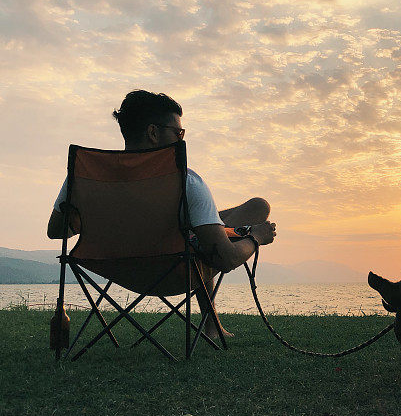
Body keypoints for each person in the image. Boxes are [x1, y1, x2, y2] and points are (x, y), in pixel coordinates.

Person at [46, 90, 276, 340]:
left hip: (115, 268)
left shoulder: (82, 178)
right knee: (217, 237)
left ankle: (213, 325)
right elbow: (226, 259)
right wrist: (256, 237)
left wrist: (102, 222)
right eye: (178, 133)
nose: (181, 139)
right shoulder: (186, 181)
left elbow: (55, 231)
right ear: (154, 133)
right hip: (175, 271)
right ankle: (212, 325)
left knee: (256, 206)